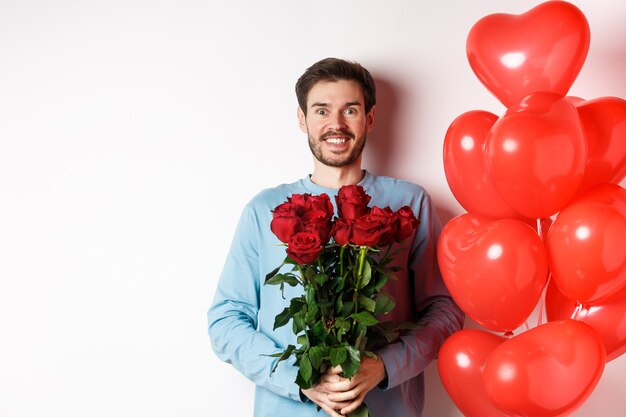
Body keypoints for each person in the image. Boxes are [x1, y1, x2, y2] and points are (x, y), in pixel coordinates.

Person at [207, 57, 465, 417]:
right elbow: (226, 319)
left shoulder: (409, 204)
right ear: (303, 119)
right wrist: (297, 376)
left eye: (350, 110)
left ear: (370, 118)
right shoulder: (265, 211)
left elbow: (444, 309)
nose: (336, 124)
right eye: (322, 110)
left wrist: (385, 366)